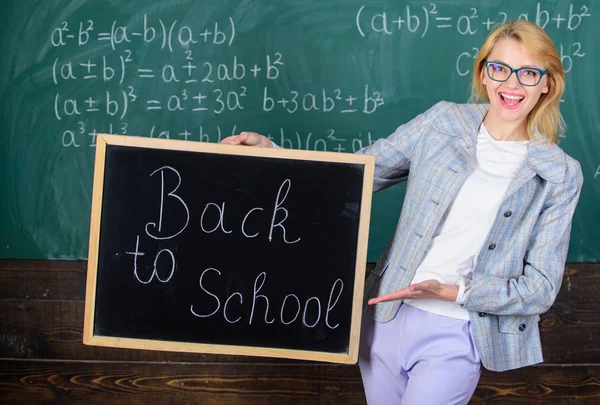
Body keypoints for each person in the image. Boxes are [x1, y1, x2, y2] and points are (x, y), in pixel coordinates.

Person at [221, 20, 583, 405]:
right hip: (386, 316)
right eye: (500, 68)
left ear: (547, 83)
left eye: (528, 73)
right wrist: (271, 152)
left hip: (460, 330)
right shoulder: (443, 122)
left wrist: (457, 291)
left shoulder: (558, 173)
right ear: (483, 72)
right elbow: (357, 173)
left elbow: (540, 288)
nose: (511, 85)